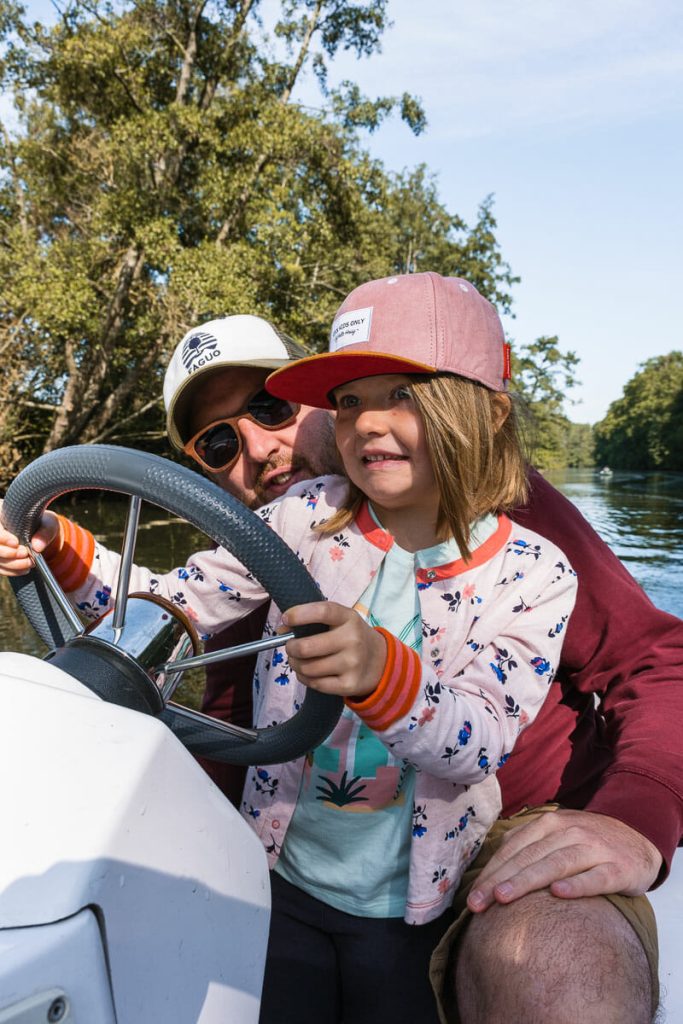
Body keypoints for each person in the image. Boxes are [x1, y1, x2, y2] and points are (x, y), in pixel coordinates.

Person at [1, 279, 681, 1022]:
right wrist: (58, 550)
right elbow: (176, 601)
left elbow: (506, 721)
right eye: (219, 442)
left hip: (429, 879)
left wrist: (636, 813)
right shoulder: (289, 517)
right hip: (283, 865)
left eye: (270, 408)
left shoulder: (533, 554)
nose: (258, 448)